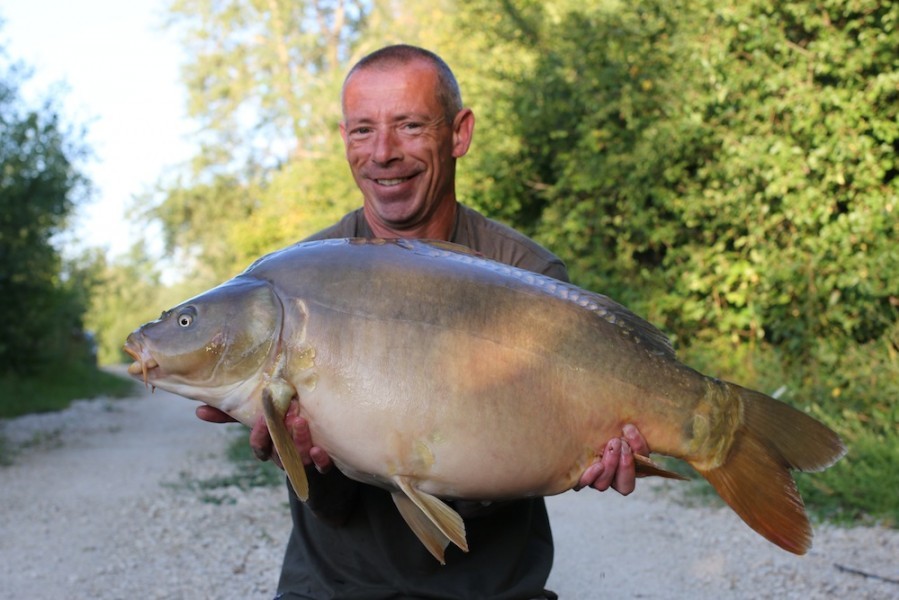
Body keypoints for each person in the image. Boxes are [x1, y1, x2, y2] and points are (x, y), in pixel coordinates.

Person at [197, 44, 650, 599]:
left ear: (459, 133)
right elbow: (333, 506)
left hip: (493, 590)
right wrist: (304, 456)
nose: (382, 153)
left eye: (409, 125)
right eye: (363, 131)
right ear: (345, 140)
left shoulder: (524, 273)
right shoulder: (300, 277)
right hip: (334, 589)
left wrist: (588, 450)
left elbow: (530, 454)